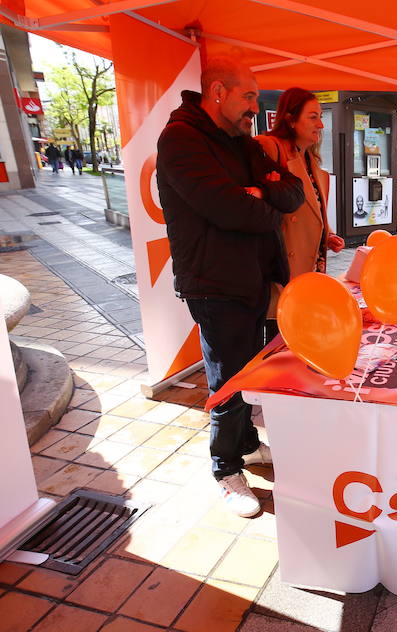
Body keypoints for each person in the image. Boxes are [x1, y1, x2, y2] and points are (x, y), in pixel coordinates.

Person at [156, 58, 305, 517]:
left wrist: (263, 194)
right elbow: (229, 210)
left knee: (252, 372)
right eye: (249, 96)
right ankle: (225, 469)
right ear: (217, 91)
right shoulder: (181, 139)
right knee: (230, 382)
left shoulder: (240, 141)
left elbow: (292, 192)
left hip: (256, 280)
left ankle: (245, 444)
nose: (254, 108)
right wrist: (261, 199)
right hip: (215, 284)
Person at [255, 87, 344, 342]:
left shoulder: (311, 162)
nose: (321, 125)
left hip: (309, 278)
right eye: (313, 117)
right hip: (282, 279)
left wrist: (326, 236)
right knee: (281, 351)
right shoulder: (270, 148)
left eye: (320, 117)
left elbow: (309, 215)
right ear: (290, 119)